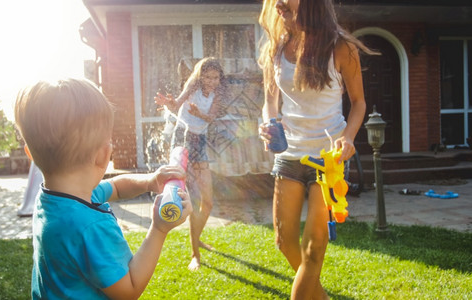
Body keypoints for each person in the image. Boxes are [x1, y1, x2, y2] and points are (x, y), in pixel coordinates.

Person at [14, 78, 192, 299]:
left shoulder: (52, 199)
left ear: (30, 154)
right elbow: (129, 289)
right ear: (103, 154)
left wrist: (150, 181)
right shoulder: (89, 226)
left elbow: (116, 187)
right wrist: (159, 229)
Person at [257, 0, 377, 299]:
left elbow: (359, 102)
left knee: (314, 249)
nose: (278, 5)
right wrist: (269, 124)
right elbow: (270, 100)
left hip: (328, 160)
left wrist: (348, 138)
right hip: (288, 155)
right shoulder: (277, 47)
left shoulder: (340, 48)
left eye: (285, 2)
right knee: (285, 243)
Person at [154, 57, 228, 270]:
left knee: (208, 202)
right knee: (192, 200)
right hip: (183, 140)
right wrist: (169, 104)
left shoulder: (217, 94)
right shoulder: (192, 85)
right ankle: (195, 254)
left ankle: (198, 237)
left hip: (200, 142)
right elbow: (176, 105)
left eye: (215, 77)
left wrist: (199, 113)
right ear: (200, 74)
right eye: (207, 76)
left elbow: (211, 117)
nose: (212, 81)